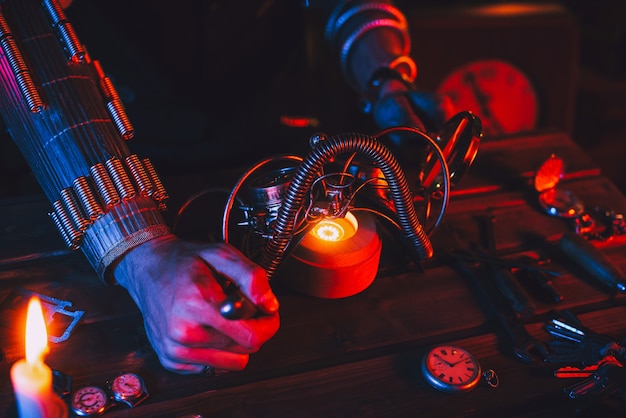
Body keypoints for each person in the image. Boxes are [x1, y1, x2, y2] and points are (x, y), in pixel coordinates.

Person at [0, 0, 435, 374]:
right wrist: (140, 254)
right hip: (110, 161)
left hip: (271, 148)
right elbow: (22, 31)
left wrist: (386, 82)